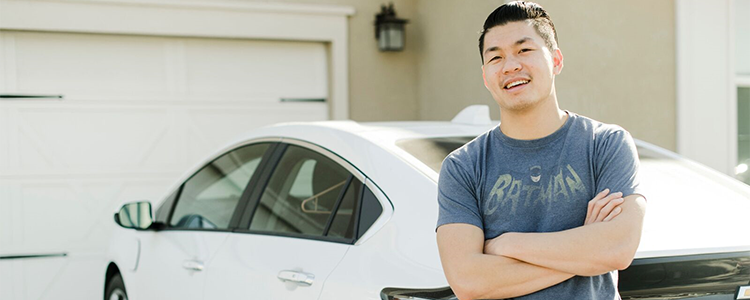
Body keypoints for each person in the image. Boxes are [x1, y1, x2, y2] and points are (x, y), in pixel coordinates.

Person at [435, 2, 647, 300]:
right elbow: (468, 281)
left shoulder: (605, 143)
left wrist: (506, 244)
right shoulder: (464, 166)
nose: (510, 66)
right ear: (486, 76)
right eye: (496, 57)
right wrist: (586, 251)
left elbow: (618, 249)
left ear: (556, 60)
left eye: (524, 50)